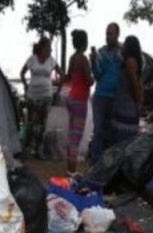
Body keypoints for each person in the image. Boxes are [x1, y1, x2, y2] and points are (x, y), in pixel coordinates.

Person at [20, 37, 64, 159]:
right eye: (49, 47)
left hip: (46, 95)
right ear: (42, 47)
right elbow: (22, 73)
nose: (50, 49)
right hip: (32, 95)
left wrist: (58, 91)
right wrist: (25, 85)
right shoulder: (32, 59)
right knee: (31, 123)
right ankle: (27, 149)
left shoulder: (51, 61)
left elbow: (62, 74)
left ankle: (39, 150)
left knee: (42, 123)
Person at [89, 23, 123, 163]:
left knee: (111, 132)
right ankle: (96, 162)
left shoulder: (123, 52)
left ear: (117, 35)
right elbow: (97, 75)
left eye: (111, 33)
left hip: (116, 97)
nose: (108, 37)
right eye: (107, 33)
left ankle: (108, 164)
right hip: (101, 96)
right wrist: (93, 62)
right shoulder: (101, 53)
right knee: (98, 131)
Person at [66, 30, 93, 174]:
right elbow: (89, 81)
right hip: (80, 100)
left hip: (71, 97)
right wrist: (93, 76)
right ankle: (72, 170)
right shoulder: (83, 59)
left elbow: (69, 76)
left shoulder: (72, 58)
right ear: (84, 43)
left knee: (71, 134)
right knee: (77, 136)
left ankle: (69, 167)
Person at [111, 36, 143, 145]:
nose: (122, 45)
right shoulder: (129, 61)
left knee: (123, 141)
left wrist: (139, 103)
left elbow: (135, 84)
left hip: (126, 106)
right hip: (124, 104)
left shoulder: (130, 62)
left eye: (125, 43)